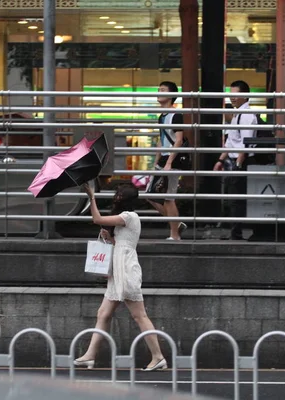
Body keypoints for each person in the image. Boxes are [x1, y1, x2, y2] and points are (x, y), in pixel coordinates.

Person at [74, 183, 167, 372]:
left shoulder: (129, 216)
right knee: (103, 313)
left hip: (125, 267)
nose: (116, 196)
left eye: (119, 194)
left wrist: (91, 197)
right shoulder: (127, 219)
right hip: (119, 267)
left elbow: (96, 218)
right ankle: (90, 356)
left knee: (139, 314)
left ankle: (158, 357)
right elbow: (121, 242)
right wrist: (110, 239)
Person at [213, 80, 257, 240]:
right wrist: (220, 160)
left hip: (242, 162)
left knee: (238, 199)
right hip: (234, 161)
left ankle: (237, 232)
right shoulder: (237, 114)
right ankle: (235, 231)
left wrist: (238, 164)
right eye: (230, 94)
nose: (232, 97)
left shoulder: (246, 115)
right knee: (234, 198)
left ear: (245, 96)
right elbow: (231, 142)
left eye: (235, 94)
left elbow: (246, 143)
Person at [146, 81, 187, 240]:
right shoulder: (162, 116)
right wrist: (156, 162)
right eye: (158, 89)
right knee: (150, 195)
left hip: (173, 160)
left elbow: (178, 140)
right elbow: (161, 140)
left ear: (171, 95)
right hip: (164, 159)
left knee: (169, 198)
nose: (158, 92)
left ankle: (174, 234)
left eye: (162, 90)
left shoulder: (176, 115)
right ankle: (176, 224)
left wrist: (169, 162)